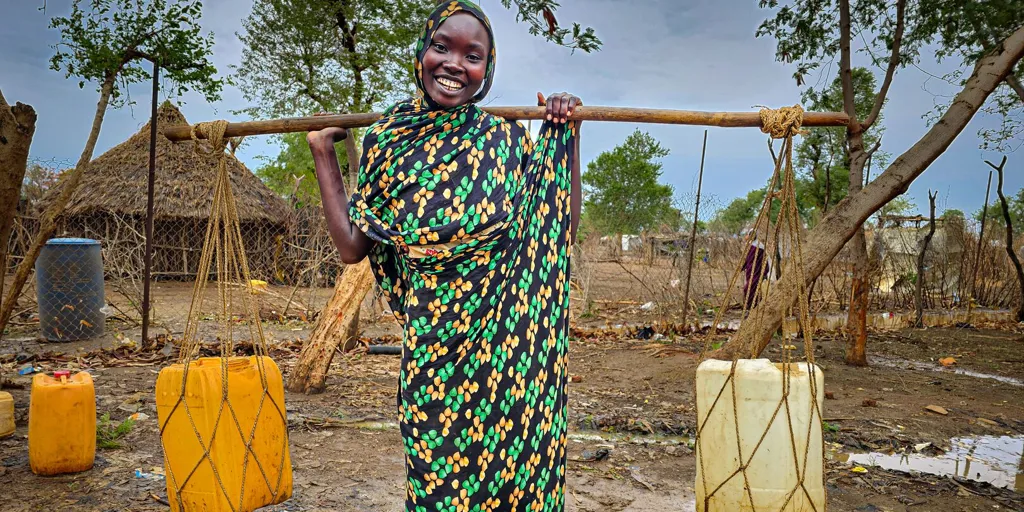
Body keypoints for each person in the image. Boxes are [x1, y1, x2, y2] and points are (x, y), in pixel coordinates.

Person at [306, 1, 582, 510]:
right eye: (442, 47)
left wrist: (567, 133)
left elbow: (555, 221)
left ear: (487, 68)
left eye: (472, 56)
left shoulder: (505, 139)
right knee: (438, 478)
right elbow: (351, 247)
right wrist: (323, 153)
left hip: (509, 344)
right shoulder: (391, 138)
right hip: (435, 344)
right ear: (422, 52)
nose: (454, 64)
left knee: (515, 468)